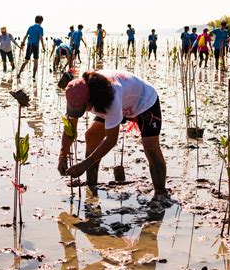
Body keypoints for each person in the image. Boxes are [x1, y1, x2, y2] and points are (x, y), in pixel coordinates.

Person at [57, 70, 168, 199]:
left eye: (82, 108)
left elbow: (111, 140)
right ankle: (92, 184)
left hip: (144, 103)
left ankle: (161, 193)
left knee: (151, 148)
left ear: (90, 99)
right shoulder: (75, 93)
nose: (79, 112)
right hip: (118, 102)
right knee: (92, 136)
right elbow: (70, 128)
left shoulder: (110, 96)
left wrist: (85, 164)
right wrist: (62, 156)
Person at [17, 15, 45, 80]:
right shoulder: (40, 28)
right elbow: (41, 38)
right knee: (36, 62)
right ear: (41, 21)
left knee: (26, 61)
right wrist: (43, 47)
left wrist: (22, 44)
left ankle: (19, 73)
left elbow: (25, 36)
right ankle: (33, 76)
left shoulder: (30, 27)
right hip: (35, 46)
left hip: (29, 45)